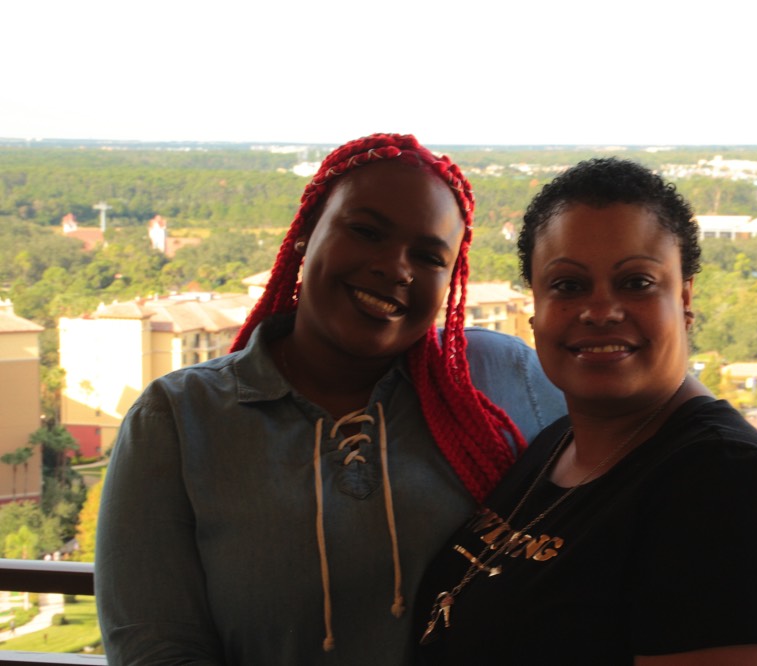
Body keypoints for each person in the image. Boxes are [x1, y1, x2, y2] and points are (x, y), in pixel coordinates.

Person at [95, 133, 565, 666]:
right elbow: (154, 648)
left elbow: (641, 463)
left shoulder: (502, 378)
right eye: (366, 232)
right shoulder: (178, 420)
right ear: (305, 233)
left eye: (429, 256)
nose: (396, 267)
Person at [415, 158, 757, 665]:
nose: (601, 310)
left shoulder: (728, 483)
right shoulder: (558, 445)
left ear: (685, 298)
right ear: (535, 310)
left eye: (636, 282)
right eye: (568, 285)